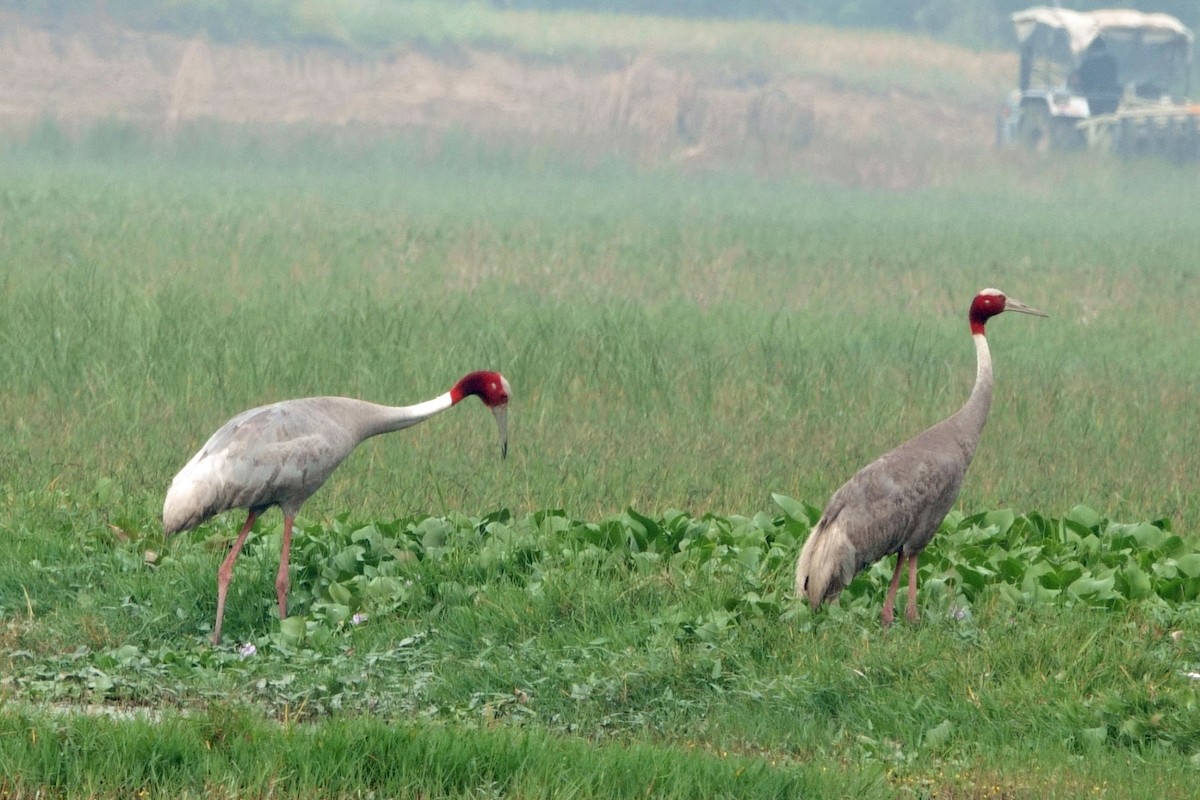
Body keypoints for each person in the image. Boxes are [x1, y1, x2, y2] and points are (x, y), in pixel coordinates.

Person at [1073, 38, 1120, 115]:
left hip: (1092, 99)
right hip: (1110, 99)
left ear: (1092, 48)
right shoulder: (1111, 61)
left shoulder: (1087, 62)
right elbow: (1114, 78)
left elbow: (1081, 78)